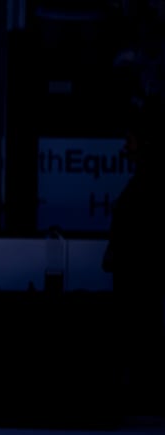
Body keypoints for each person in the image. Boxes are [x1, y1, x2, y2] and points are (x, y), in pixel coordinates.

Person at [102, 98, 164, 418]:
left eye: (131, 140)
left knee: (142, 334)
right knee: (139, 334)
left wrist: (120, 249)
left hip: (141, 275)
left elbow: (142, 228)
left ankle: (144, 395)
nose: (125, 146)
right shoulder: (143, 180)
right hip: (136, 273)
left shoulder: (150, 182)